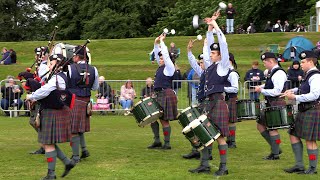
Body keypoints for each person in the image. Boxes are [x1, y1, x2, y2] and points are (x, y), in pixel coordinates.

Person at [189, 11, 230, 176]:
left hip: (218, 102)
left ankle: (224, 167)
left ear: (220, 55)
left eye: (214, 53)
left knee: (219, 136)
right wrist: (210, 27)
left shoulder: (223, 65)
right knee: (205, 133)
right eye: (211, 53)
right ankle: (204, 164)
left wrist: (216, 26)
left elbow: (223, 44)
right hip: (208, 103)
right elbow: (209, 45)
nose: (210, 54)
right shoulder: (211, 65)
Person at [26, 54, 76, 179]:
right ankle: (67, 163)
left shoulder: (57, 78)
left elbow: (45, 90)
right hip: (56, 111)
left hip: (52, 111)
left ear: (58, 65)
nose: (49, 65)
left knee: (47, 143)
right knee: (48, 142)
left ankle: (51, 174)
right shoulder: (59, 76)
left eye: (51, 63)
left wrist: (31, 96)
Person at [282, 50, 320, 174]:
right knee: (293, 134)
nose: (301, 64)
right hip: (305, 110)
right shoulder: (308, 74)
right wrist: (292, 91)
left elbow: (314, 94)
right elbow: (303, 88)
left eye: (303, 62)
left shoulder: (315, 76)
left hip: (312, 109)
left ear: (310, 61)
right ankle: (299, 165)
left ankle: (313, 169)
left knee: (310, 140)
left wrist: (295, 97)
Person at [68, 45, 99, 164]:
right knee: (79, 128)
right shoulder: (94, 69)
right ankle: (84, 150)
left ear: (76, 56)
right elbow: (95, 87)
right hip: (86, 101)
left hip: (74, 100)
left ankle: (75, 156)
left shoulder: (70, 68)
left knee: (73, 129)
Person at [183, 37, 213, 160]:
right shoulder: (202, 73)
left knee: (207, 128)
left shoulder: (212, 72)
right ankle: (196, 150)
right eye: (200, 62)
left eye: (202, 62)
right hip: (202, 103)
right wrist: (189, 50)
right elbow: (192, 63)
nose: (200, 64)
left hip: (209, 103)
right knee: (196, 126)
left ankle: (208, 153)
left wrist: (206, 44)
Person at [254, 52, 287, 160]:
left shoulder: (279, 73)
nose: (264, 65)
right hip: (271, 103)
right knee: (260, 126)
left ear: (271, 61)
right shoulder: (272, 72)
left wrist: (262, 90)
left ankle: (275, 153)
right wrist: (262, 86)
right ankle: (275, 148)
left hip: (276, 101)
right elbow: (270, 84)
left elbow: (277, 91)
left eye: (265, 62)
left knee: (273, 129)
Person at [148, 33, 178, 150]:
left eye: (162, 59)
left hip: (165, 94)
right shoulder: (161, 67)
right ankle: (157, 140)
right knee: (152, 117)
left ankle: (167, 143)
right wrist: (156, 43)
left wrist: (162, 42)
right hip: (159, 94)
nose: (160, 60)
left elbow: (165, 54)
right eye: (159, 59)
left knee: (164, 120)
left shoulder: (169, 67)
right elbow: (158, 54)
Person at [225, 53, 240, 148]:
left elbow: (235, 88)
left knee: (231, 120)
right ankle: (229, 140)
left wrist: (222, 88)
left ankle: (232, 141)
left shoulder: (233, 73)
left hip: (231, 98)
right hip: (226, 98)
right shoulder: (225, 72)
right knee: (228, 120)